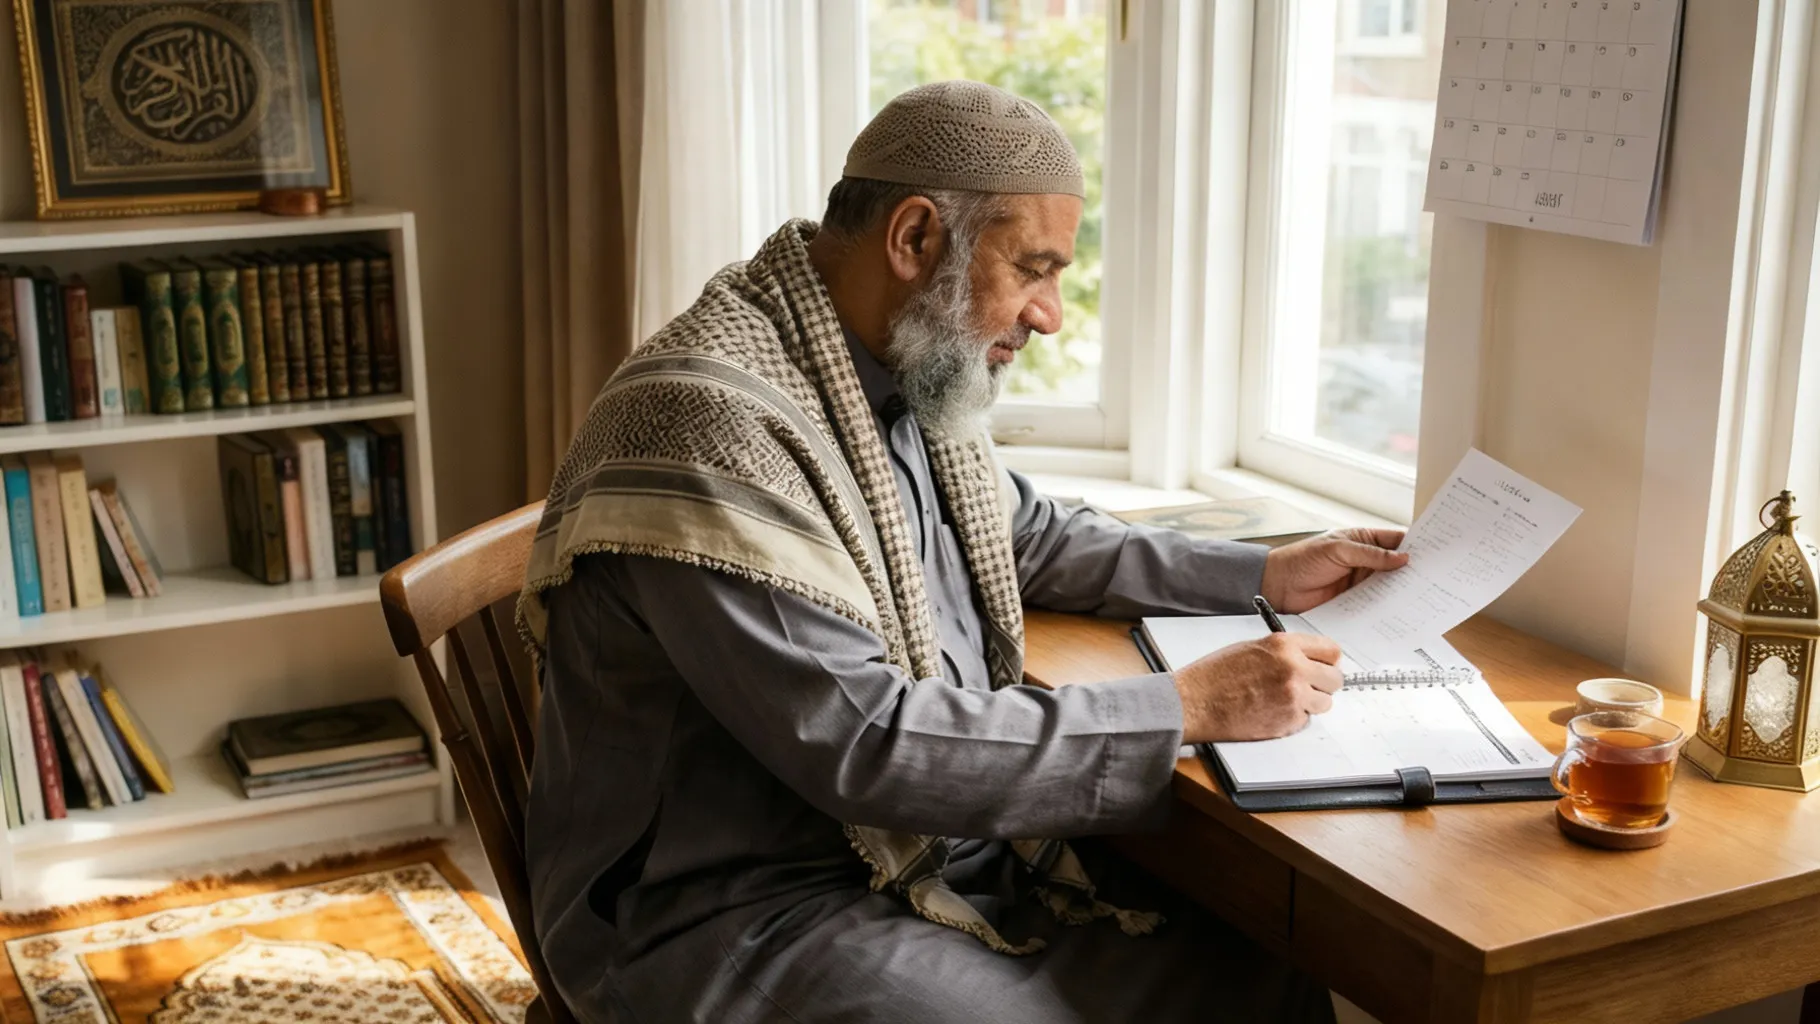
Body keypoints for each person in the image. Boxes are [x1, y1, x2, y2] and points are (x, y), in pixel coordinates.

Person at [518, 80, 1407, 1023]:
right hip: (726, 907)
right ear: (914, 240)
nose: (1051, 313)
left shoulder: (890, 360)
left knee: (1263, 966)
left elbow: (1026, 533)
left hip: (908, 855)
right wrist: (1185, 705)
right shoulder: (708, 423)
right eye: (1033, 269)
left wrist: (1265, 573)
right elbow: (868, 743)